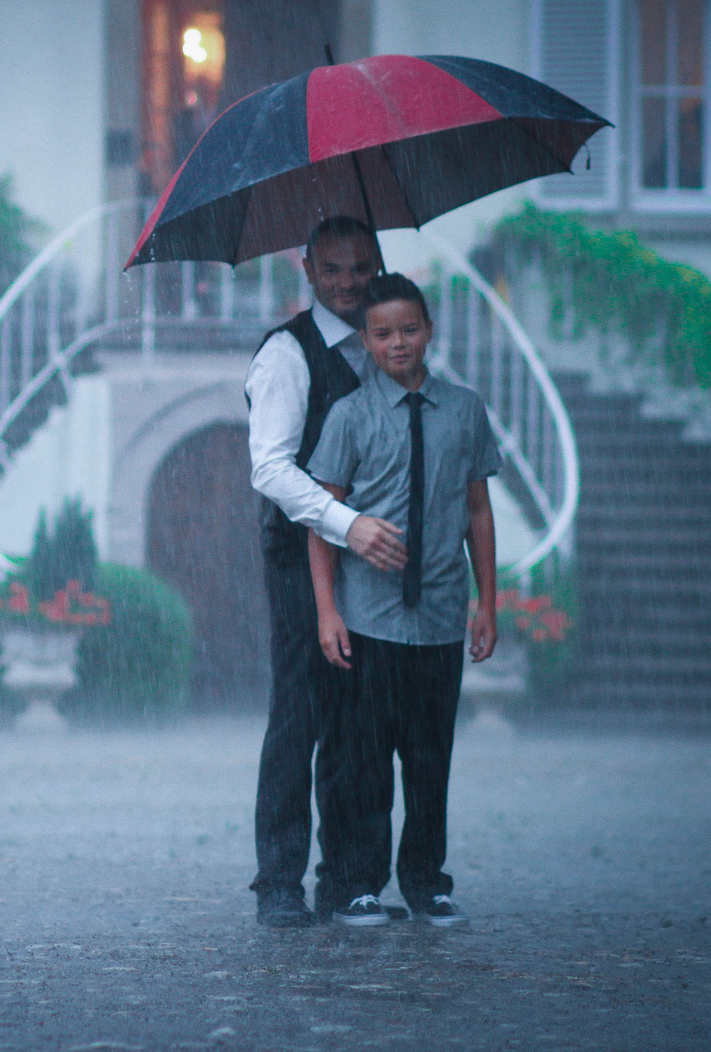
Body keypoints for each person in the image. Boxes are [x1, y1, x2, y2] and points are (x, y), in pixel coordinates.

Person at [305, 272, 501, 929]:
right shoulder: (349, 416)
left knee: (427, 760)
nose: (398, 343)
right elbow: (322, 520)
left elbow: (477, 508)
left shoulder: (465, 410)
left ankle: (425, 882)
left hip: (441, 616)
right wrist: (327, 611)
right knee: (362, 760)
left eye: (409, 330)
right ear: (364, 341)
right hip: (367, 618)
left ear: (429, 331)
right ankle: (358, 883)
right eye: (383, 333)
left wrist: (487, 602)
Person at [244, 216, 407, 928]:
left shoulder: (385, 346)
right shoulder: (286, 353)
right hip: (299, 554)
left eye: (361, 266)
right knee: (301, 714)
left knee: (364, 720)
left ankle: (350, 880)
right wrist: (345, 524)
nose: (348, 282)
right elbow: (270, 468)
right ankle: (278, 881)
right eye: (334, 268)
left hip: (376, 559)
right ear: (306, 270)